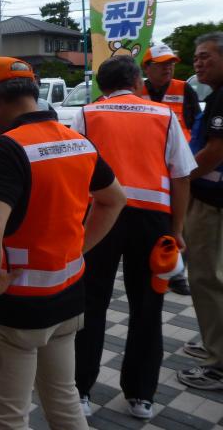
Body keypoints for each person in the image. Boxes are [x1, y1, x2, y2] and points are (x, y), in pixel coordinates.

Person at [0, 57, 125, 430]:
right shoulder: (76, 141)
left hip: (17, 311)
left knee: (8, 418)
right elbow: (114, 199)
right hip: (69, 301)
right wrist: (77, 249)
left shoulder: (10, 148)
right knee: (64, 399)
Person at [73, 55, 195, 420]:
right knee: (148, 306)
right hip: (153, 221)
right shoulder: (163, 115)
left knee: (91, 303)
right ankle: (141, 395)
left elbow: (75, 171)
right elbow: (181, 175)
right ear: (139, 83)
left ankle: (80, 391)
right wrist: (176, 231)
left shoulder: (88, 114)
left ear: (102, 86)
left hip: (101, 215)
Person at [178, 32, 223, 391]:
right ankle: (213, 341)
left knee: (207, 279)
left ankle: (218, 362)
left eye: (205, 56)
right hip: (209, 197)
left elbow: (214, 152)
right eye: (195, 57)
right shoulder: (215, 96)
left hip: (212, 203)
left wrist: (180, 177)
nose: (198, 63)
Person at [141, 43, 200, 296]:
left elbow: (196, 126)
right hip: (146, 167)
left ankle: (176, 273)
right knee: (150, 220)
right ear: (147, 67)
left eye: (171, 63)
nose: (168, 67)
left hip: (178, 169)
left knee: (180, 220)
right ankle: (148, 264)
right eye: (162, 64)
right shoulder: (136, 90)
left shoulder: (183, 88)